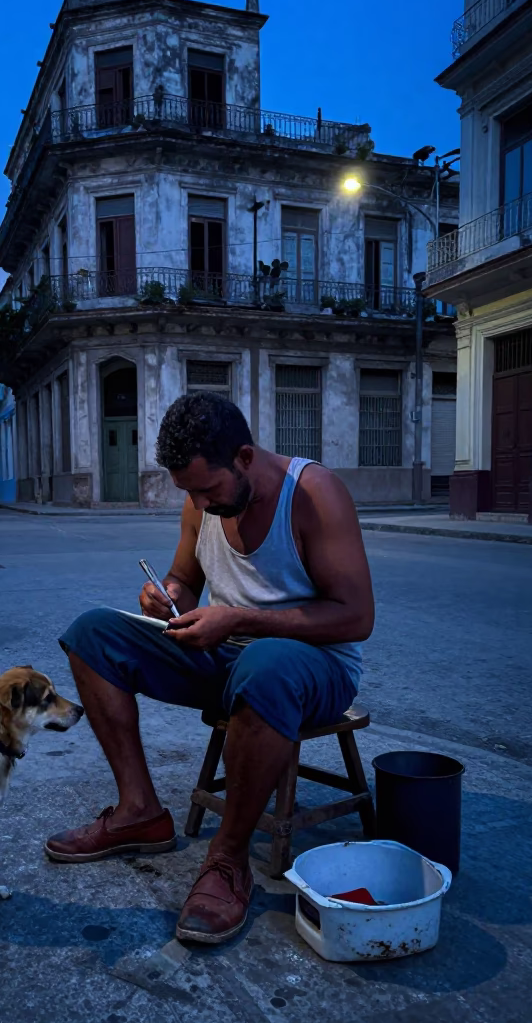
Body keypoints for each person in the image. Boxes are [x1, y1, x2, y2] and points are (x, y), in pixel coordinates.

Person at [46, 392, 374, 945]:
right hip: (226, 653)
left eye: (207, 489)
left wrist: (240, 619)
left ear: (244, 458)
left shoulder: (314, 494)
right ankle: (138, 811)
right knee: (92, 632)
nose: (199, 502)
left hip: (313, 666)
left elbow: (355, 616)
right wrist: (166, 594)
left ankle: (228, 859)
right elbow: (185, 580)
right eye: (189, 492)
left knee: (265, 665)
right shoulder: (201, 502)